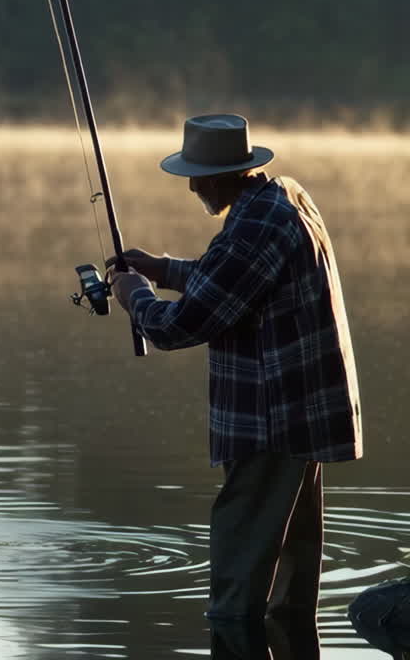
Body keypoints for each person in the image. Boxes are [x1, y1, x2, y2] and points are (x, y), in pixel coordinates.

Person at [106, 114, 363, 628]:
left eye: (198, 177)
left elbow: (181, 325)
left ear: (222, 177)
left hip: (270, 423)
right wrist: (164, 268)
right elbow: (239, 281)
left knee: (236, 594)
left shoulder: (250, 230)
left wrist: (134, 297)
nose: (194, 186)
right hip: (302, 418)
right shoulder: (283, 200)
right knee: (289, 597)